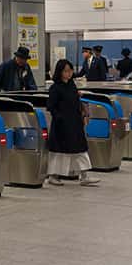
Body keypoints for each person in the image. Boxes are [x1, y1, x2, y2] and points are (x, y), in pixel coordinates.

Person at [46, 59, 99, 187]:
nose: (69, 74)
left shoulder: (72, 86)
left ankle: (84, 175)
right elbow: (51, 106)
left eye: (70, 71)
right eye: (66, 71)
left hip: (75, 122)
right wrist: (59, 118)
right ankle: (53, 175)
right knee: (60, 152)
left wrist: (83, 115)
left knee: (80, 149)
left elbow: (76, 103)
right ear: (60, 72)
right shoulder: (55, 88)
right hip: (61, 124)